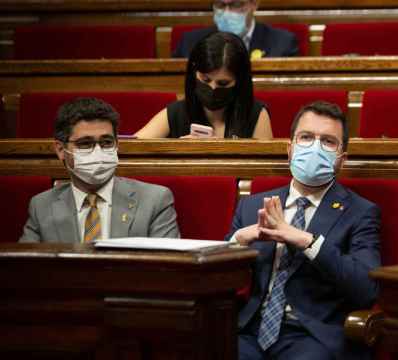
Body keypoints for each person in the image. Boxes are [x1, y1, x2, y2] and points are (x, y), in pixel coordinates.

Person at [226, 101, 380, 359]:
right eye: (306, 137)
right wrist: (237, 241)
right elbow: (218, 279)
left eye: (328, 142)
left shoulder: (360, 212)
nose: (315, 148)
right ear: (290, 149)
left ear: (342, 159)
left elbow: (366, 289)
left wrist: (307, 241)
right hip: (249, 330)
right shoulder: (252, 204)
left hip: (311, 337)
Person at [20, 97, 180, 243]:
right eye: (85, 143)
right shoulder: (41, 206)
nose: (98, 151)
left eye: (106, 142)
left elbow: (166, 269)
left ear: (117, 144)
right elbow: (26, 270)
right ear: (61, 150)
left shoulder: (155, 200)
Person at [135, 32, 272, 139]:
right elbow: (130, 148)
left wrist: (220, 150)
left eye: (222, 83)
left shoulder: (256, 114)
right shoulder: (176, 112)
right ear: (194, 73)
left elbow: (264, 172)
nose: (212, 88)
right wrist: (177, 149)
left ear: (239, 82)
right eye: (205, 80)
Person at [172, 0, 298, 59]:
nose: (227, 12)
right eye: (220, 5)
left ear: (254, 4)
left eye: (236, 5)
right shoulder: (190, 43)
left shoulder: (282, 43)